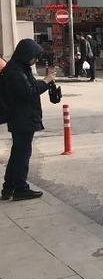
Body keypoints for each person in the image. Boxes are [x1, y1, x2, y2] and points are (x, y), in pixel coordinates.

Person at [1, 39, 54, 200]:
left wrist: (44, 83)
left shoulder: (21, 68)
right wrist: (45, 82)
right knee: (22, 154)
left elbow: (29, 86)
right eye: (34, 56)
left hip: (24, 116)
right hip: (21, 118)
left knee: (18, 153)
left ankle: (9, 187)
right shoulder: (15, 71)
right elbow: (28, 93)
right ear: (26, 54)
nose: (35, 60)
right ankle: (20, 188)